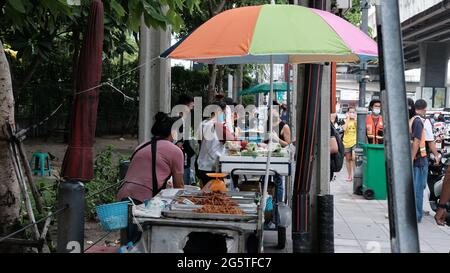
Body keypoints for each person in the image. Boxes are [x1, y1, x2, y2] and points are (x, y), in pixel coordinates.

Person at [117, 112, 184, 243]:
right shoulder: (175, 151)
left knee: (130, 243)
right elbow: (179, 187)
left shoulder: (143, 145)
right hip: (142, 201)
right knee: (143, 243)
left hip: (123, 197)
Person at [197, 101, 236, 187]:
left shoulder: (202, 124)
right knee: (215, 195)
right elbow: (232, 140)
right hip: (213, 167)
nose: (225, 115)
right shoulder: (218, 125)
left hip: (202, 165)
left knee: (205, 194)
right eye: (224, 112)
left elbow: (199, 142)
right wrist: (229, 121)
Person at [410, 99, 434, 223]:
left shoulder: (413, 120)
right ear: (424, 108)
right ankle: (417, 215)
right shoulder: (419, 122)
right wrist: (412, 157)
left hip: (418, 159)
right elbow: (417, 141)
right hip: (419, 160)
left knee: (418, 188)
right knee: (419, 189)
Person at [176, 94, 197, 185]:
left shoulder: (182, 119)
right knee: (184, 180)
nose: (191, 109)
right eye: (190, 106)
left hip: (183, 154)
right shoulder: (179, 120)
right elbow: (179, 142)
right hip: (181, 155)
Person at [342, 107, 357, 181]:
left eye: (353, 112)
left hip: (354, 141)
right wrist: (348, 119)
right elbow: (344, 129)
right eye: (350, 112)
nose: (352, 113)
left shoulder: (356, 121)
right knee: (348, 159)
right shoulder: (344, 120)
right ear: (347, 113)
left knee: (354, 158)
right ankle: (349, 176)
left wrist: (354, 119)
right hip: (346, 142)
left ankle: (355, 175)